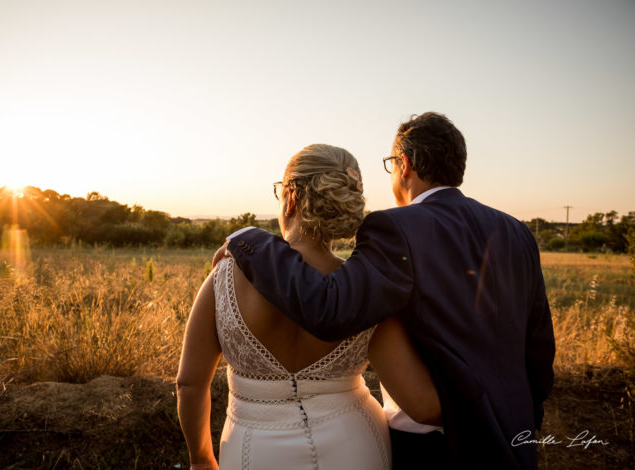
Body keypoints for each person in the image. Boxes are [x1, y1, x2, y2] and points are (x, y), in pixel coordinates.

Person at [218, 113, 556, 469]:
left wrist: (250, 240)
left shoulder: (395, 227)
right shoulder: (516, 232)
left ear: (404, 164)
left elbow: (331, 309)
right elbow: (539, 346)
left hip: (433, 448)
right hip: (513, 442)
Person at [177, 144, 441, 470]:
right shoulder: (365, 288)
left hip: (254, 451)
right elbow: (415, 397)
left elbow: (189, 383)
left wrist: (201, 459)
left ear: (290, 198)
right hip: (357, 446)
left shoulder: (225, 276)